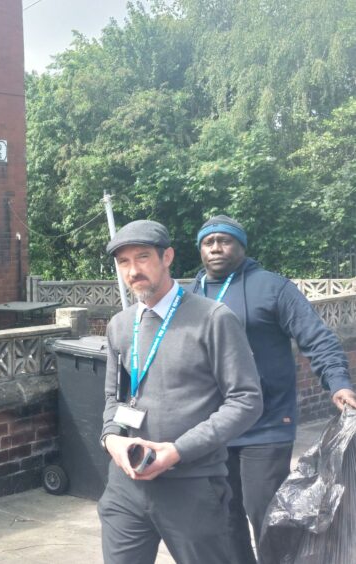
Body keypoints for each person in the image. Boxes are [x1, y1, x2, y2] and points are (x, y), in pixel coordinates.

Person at [189, 214, 356, 563]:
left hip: (265, 425)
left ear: (241, 246)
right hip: (211, 428)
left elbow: (318, 339)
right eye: (209, 242)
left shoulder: (272, 287)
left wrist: (338, 383)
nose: (216, 247)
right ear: (200, 249)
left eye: (225, 240)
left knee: (266, 513)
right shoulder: (190, 295)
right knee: (223, 516)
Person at [98, 219, 263, 564]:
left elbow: (246, 400)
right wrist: (112, 439)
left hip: (192, 483)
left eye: (142, 258)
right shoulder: (120, 325)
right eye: (124, 262)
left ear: (167, 256)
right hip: (125, 486)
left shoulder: (213, 318)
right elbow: (114, 399)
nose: (133, 271)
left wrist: (177, 451)